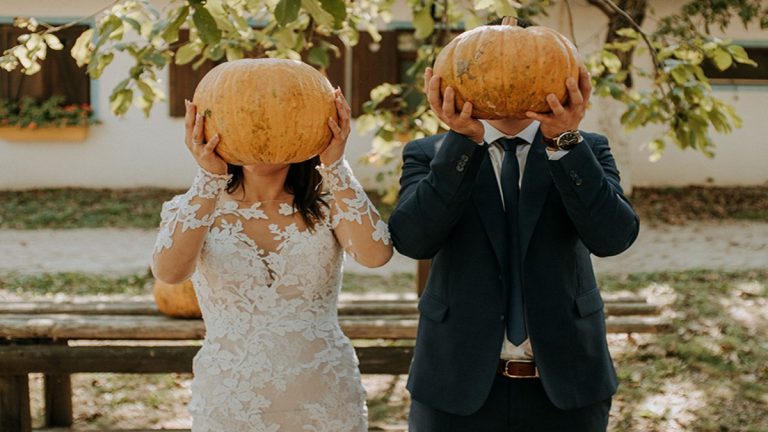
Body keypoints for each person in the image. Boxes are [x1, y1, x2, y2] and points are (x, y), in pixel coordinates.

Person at [388, 57, 640, 430]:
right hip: (454, 383)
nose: (507, 79)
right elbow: (413, 240)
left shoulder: (584, 147)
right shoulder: (430, 153)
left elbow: (613, 237)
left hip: (568, 383)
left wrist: (564, 140)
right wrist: (463, 141)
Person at [151, 89, 393, 431]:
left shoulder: (329, 206)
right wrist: (209, 178)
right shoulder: (193, 208)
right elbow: (169, 272)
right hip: (230, 399)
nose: (260, 133)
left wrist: (335, 166)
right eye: (248, 123)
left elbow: (376, 255)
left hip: (323, 396)